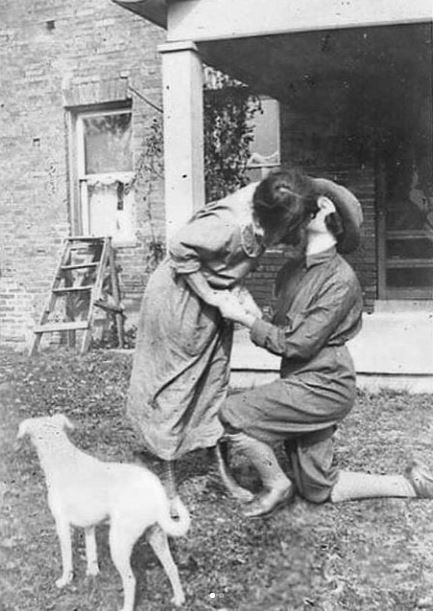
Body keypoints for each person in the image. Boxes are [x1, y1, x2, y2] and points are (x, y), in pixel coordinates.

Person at [217, 177, 433, 518]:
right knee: (317, 488)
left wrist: (244, 321)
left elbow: (297, 344)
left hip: (325, 386)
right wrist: (250, 311)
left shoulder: (340, 279)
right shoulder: (290, 272)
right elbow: (280, 327)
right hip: (300, 381)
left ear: (327, 210)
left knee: (232, 413)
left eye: (308, 207)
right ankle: (409, 485)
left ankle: (276, 484)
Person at [127, 168, 318, 499]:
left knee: (214, 382)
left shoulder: (279, 200)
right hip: (180, 299)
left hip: (214, 300)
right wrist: (213, 296)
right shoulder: (230, 225)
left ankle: (220, 471)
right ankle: (168, 483)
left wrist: (246, 307)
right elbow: (179, 249)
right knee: (177, 387)